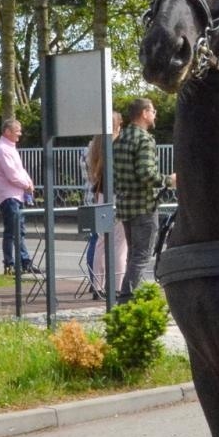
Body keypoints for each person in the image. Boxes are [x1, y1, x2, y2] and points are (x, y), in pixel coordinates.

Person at [114, 97, 172, 302]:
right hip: (144, 206)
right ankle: (127, 298)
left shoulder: (120, 138)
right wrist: (169, 180)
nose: (155, 115)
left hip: (125, 206)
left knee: (133, 255)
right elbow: (146, 174)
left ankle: (130, 296)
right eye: (153, 111)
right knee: (142, 256)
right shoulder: (144, 139)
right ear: (144, 113)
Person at [83, 111, 127, 298]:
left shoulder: (94, 146)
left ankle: (97, 285)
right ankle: (117, 286)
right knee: (120, 243)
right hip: (116, 194)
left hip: (100, 194)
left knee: (101, 241)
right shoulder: (117, 146)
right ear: (117, 126)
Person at [0, 117, 39, 276]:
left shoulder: (10, 148)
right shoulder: (2, 149)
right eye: (17, 131)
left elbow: (20, 169)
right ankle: (10, 264)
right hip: (8, 195)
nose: (20, 134)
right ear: (7, 131)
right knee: (12, 231)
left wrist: (29, 182)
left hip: (16, 195)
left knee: (19, 230)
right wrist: (26, 185)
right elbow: (12, 174)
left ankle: (24, 262)